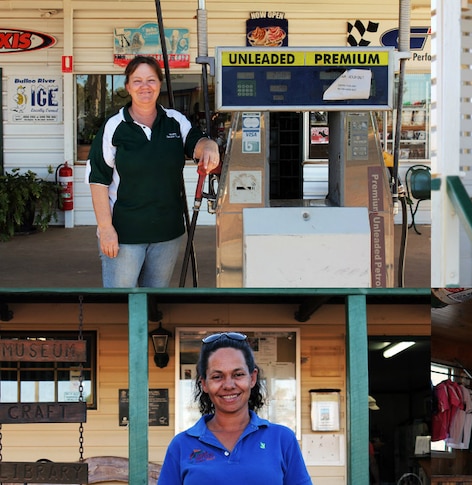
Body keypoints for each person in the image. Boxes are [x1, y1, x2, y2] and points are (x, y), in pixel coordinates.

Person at [87, 55, 220, 288]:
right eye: (137, 81)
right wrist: (106, 229)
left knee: (156, 302)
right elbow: (98, 180)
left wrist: (209, 146)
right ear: (127, 87)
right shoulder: (114, 127)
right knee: (123, 304)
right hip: (125, 233)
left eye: (151, 80)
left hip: (166, 234)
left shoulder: (174, 121)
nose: (144, 86)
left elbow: (195, 143)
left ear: (159, 84)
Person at [158, 332, 311, 485]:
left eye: (238, 374)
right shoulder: (181, 445)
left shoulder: (282, 439)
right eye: (217, 376)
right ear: (204, 383)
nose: (229, 385)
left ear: (252, 378)